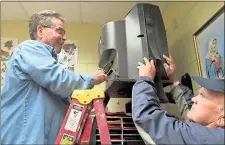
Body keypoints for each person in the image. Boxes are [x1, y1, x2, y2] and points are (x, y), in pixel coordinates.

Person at [1, 10, 107, 144]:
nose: (64, 37)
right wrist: (91, 79)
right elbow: (60, 80)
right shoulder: (28, 49)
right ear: (40, 31)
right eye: (60, 31)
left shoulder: (46, 63)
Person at [132, 55, 224, 144]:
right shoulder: (211, 131)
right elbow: (188, 109)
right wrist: (173, 80)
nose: (193, 99)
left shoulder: (211, 139)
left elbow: (147, 120)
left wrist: (145, 79)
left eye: (203, 96)